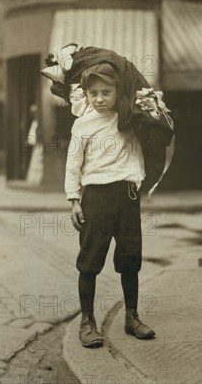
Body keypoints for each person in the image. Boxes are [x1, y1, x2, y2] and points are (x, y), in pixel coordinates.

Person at [65, 63, 155, 348]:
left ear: (118, 91)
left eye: (106, 91)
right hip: (96, 197)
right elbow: (73, 163)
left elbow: (145, 145)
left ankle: (131, 317)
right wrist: (74, 200)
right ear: (86, 95)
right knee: (90, 260)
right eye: (93, 93)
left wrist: (138, 179)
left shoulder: (128, 118)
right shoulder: (82, 124)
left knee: (130, 258)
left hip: (127, 196)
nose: (100, 98)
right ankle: (87, 322)